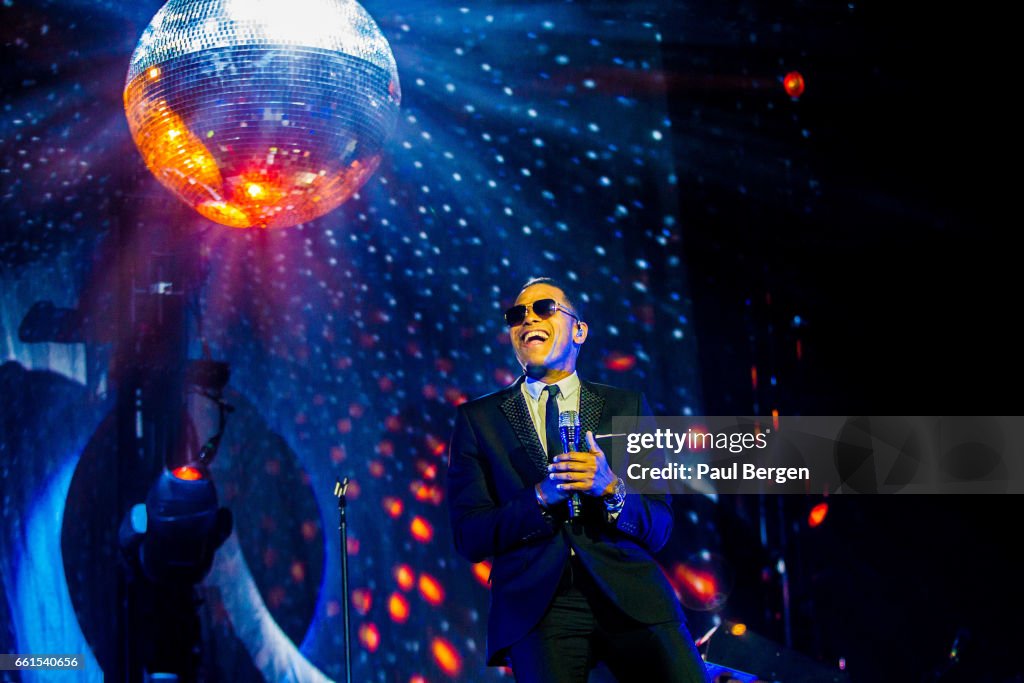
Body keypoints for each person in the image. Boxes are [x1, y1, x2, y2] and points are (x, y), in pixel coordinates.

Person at [447, 277, 709, 682]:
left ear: (580, 330)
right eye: (517, 315)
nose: (528, 318)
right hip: (537, 605)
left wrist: (613, 490)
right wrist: (538, 497)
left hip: (633, 595)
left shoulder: (626, 407)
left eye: (545, 308)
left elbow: (660, 526)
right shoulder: (480, 420)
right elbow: (470, 535)